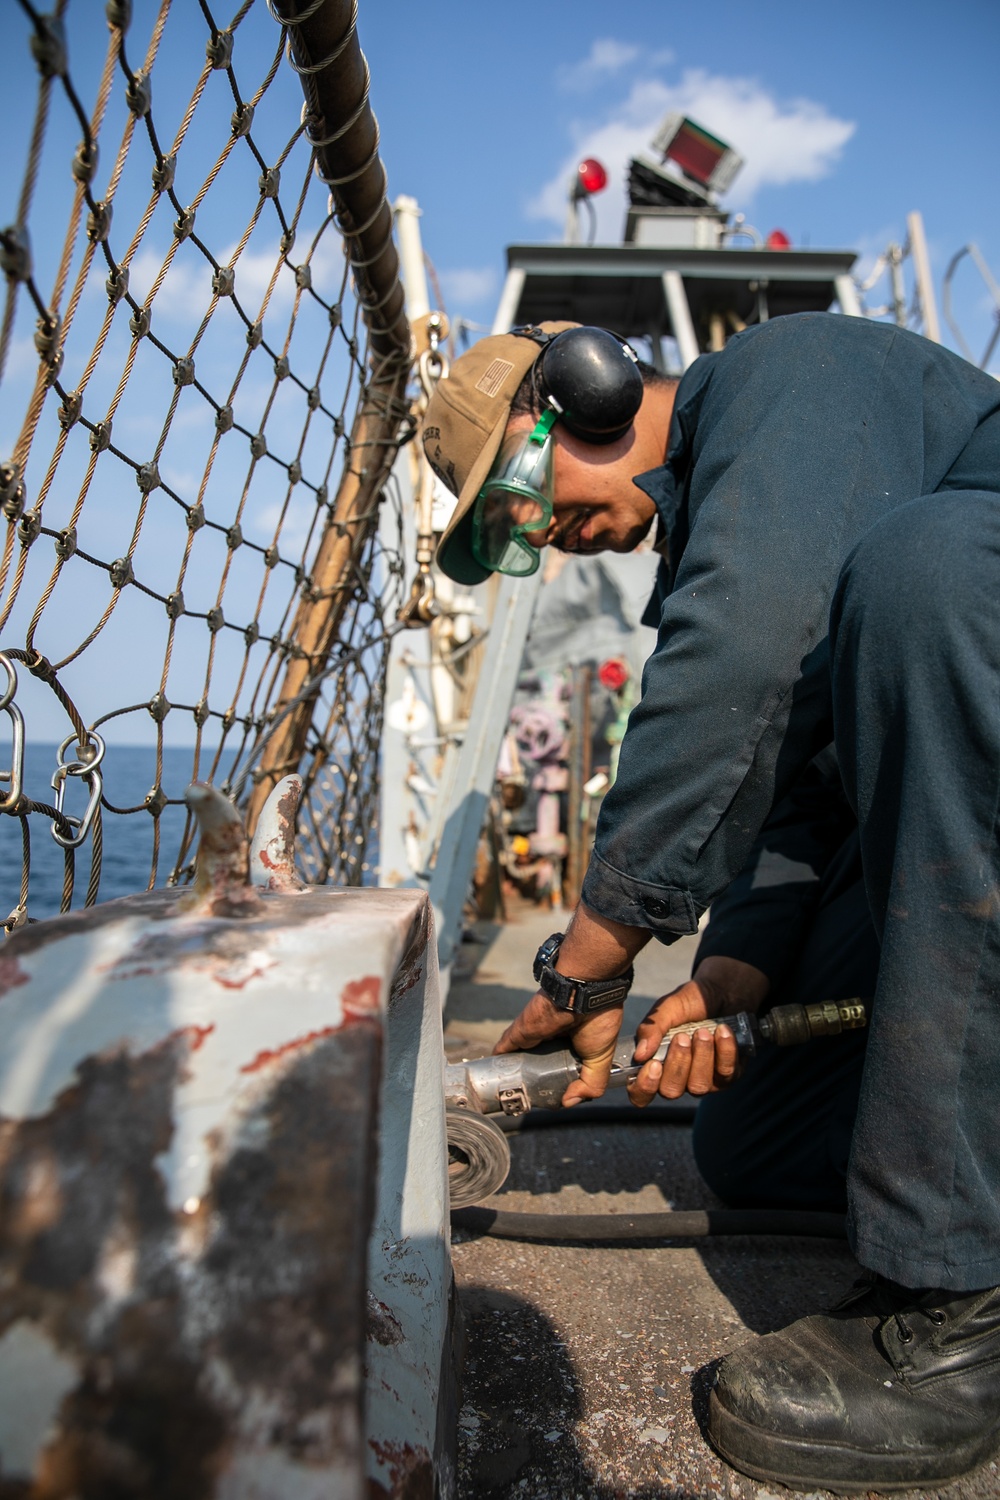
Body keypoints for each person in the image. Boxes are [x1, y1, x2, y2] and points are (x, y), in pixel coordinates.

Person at [422, 312, 1000, 1492]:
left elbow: (739, 658)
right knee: (755, 1145)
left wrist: (588, 960)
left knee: (930, 574)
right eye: (511, 532)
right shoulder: (725, 521)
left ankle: (965, 1300)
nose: (548, 537)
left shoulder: (794, 375)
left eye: (525, 492)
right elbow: (794, 789)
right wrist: (732, 968)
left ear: (588, 387)